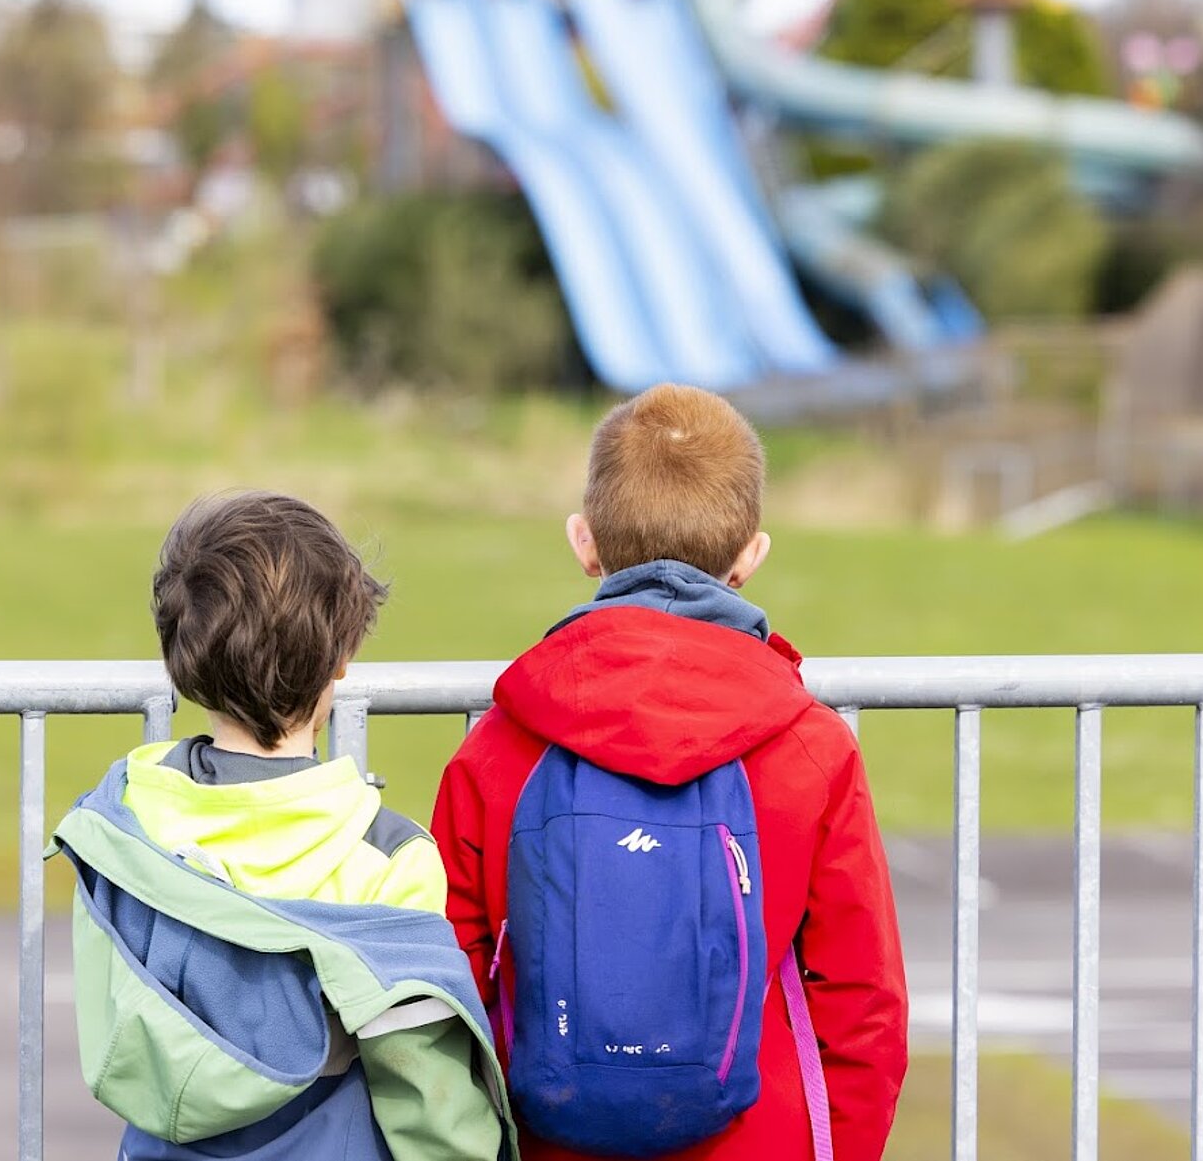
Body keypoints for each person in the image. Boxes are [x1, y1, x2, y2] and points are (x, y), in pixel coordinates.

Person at [432, 385, 909, 1161]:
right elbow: (866, 1008)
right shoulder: (813, 750)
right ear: (751, 554)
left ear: (584, 542)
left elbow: (450, 989)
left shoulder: (497, 750)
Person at [60, 491, 510, 1161]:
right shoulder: (388, 859)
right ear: (341, 659)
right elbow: (429, 1099)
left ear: (181, 656)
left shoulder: (125, 831)